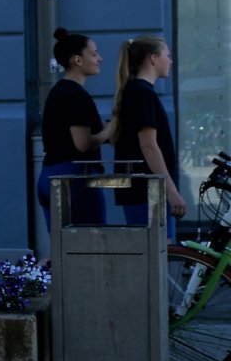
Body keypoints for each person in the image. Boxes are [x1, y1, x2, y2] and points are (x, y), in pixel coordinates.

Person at [110, 34, 186, 231]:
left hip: (143, 191)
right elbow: (149, 145)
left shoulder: (135, 91)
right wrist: (171, 191)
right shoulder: (142, 93)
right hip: (147, 193)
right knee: (155, 254)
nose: (170, 61)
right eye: (167, 55)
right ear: (153, 58)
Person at [37, 28, 111, 228]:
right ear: (77, 60)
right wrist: (108, 131)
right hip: (75, 179)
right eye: (94, 54)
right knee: (90, 246)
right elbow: (83, 144)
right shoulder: (76, 95)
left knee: (62, 250)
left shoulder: (57, 92)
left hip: (49, 175)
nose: (100, 59)